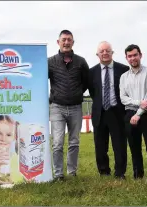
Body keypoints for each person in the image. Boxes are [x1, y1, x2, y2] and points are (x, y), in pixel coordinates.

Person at [48, 29, 90, 181]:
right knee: (57, 142)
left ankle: (72, 172)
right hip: (57, 107)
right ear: (58, 42)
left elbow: (86, 81)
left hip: (75, 107)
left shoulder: (81, 62)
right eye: (63, 39)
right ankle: (58, 174)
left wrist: (77, 92)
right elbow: (41, 80)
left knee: (74, 141)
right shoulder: (50, 62)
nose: (66, 42)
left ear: (73, 42)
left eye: (69, 40)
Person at [119, 44, 147, 182]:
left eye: (135, 55)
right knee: (134, 148)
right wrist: (138, 103)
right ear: (126, 58)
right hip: (129, 114)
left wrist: (138, 114)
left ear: (140, 55)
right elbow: (123, 98)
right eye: (130, 56)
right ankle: (138, 176)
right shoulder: (124, 77)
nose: (133, 58)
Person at [88, 41, 129, 179]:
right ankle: (104, 172)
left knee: (119, 144)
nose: (105, 53)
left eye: (107, 50)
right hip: (99, 113)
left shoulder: (123, 69)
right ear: (97, 54)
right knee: (100, 145)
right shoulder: (91, 72)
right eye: (102, 51)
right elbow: (93, 92)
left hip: (117, 112)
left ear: (112, 52)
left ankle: (120, 172)